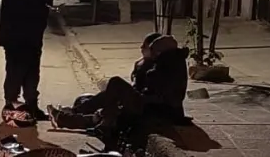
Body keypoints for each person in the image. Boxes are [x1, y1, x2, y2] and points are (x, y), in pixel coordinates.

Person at [48, 34, 189, 133]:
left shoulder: (167, 68)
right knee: (106, 104)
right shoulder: (167, 64)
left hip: (158, 111)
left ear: (159, 52)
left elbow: (160, 96)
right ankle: (70, 117)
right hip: (154, 106)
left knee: (116, 85)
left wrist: (133, 96)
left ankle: (73, 117)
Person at [0, 0, 51, 122]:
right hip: (17, 39)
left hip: (33, 38)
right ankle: (11, 106)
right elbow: (30, 8)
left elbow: (45, 5)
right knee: (15, 72)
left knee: (32, 73)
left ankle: (32, 106)